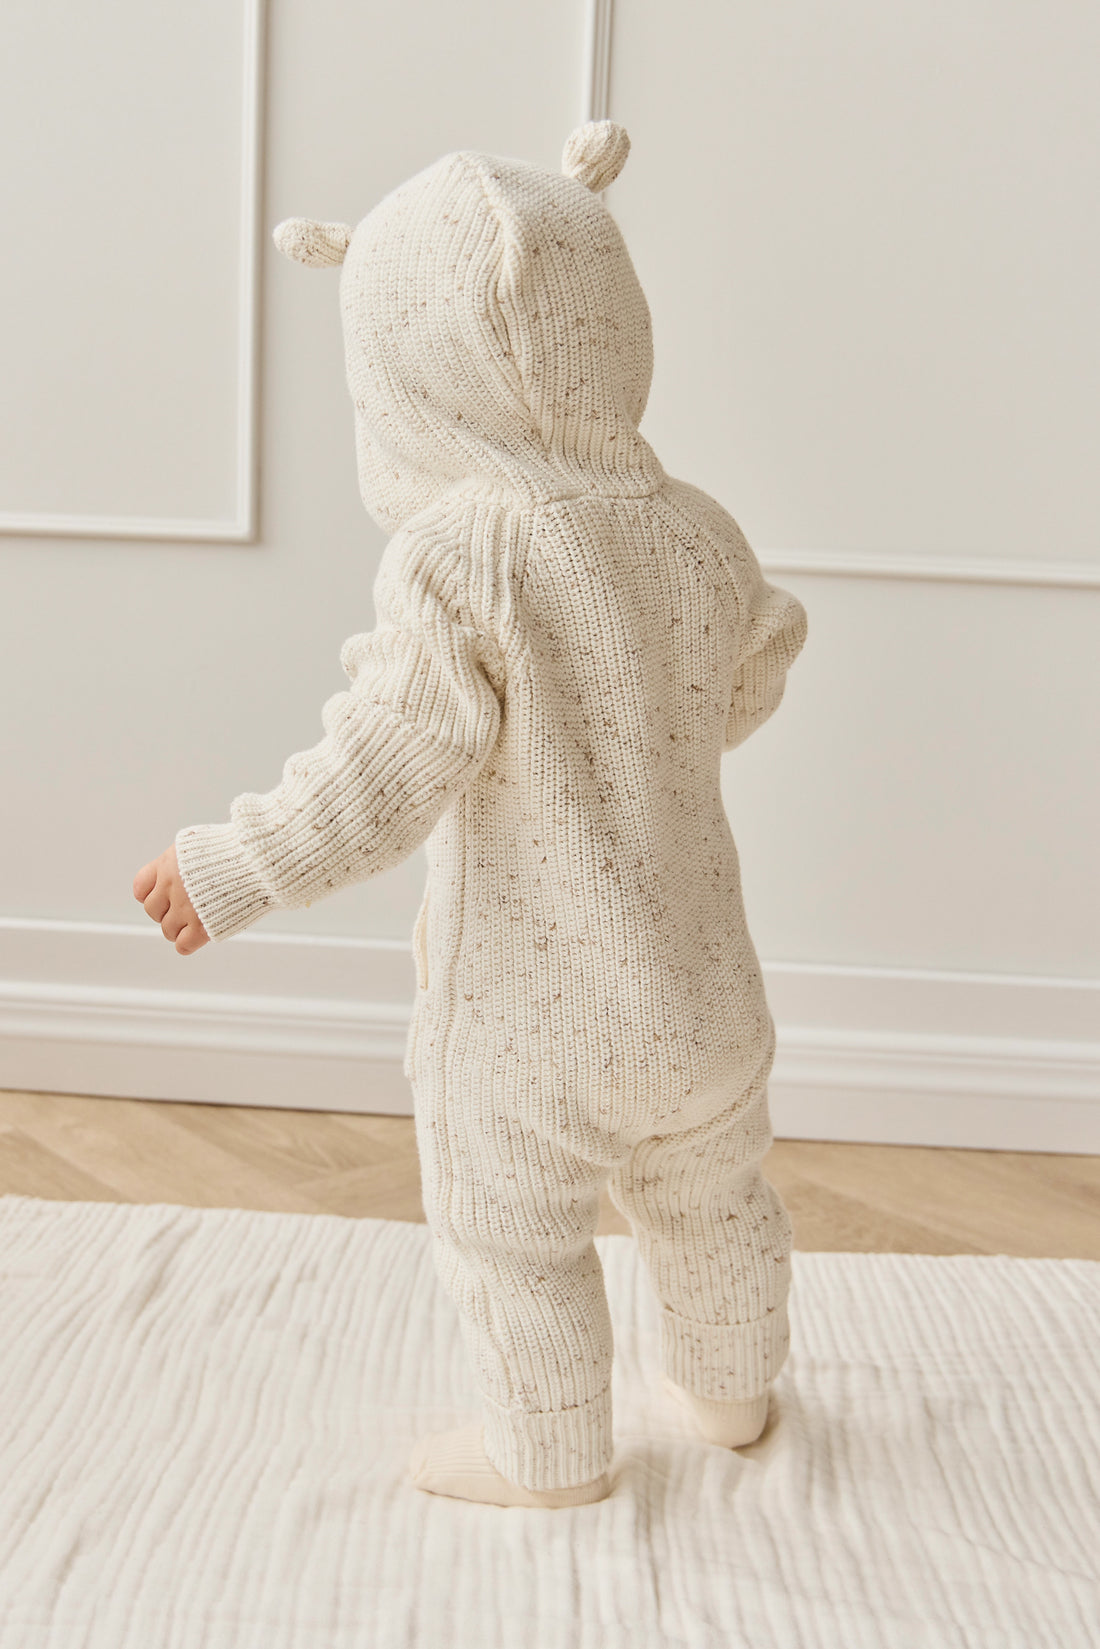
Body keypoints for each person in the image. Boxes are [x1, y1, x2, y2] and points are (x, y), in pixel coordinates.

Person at [132, 120, 809, 1510]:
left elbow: (386, 767)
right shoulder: (697, 525)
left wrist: (233, 864)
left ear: (403, 376)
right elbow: (754, 668)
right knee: (714, 1193)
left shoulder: (464, 552)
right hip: (707, 995)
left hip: (531, 1021)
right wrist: (640, 738)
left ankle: (548, 1454)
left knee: (512, 1231)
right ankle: (733, 1391)